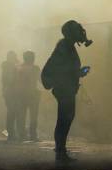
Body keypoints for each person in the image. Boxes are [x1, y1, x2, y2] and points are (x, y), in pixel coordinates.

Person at [41, 20, 91, 162]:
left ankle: (60, 149)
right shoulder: (65, 47)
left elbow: (66, 69)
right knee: (65, 118)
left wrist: (77, 73)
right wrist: (78, 72)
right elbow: (63, 69)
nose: (81, 32)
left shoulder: (67, 46)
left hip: (66, 87)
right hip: (64, 88)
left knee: (65, 118)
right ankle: (60, 150)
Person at [17, 51, 41, 141]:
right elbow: (40, 79)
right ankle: (33, 135)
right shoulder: (35, 68)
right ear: (32, 58)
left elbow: (16, 81)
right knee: (33, 116)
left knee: (22, 115)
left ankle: (22, 134)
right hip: (32, 94)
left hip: (21, 94)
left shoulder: (19, 68)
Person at [2, 51, 23, 142]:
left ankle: (12, 133)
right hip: (12, 92)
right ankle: (12, 133)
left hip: (9, 92)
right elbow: (10, 80)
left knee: (11, 112)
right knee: (13, 112)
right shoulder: (10, 67)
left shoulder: (7, 66)